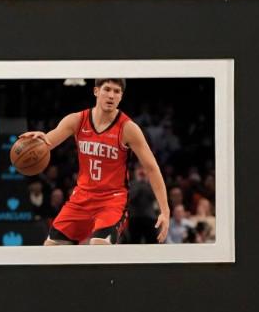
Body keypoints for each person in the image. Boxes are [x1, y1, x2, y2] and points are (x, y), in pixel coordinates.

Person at [17, 77, 170, 246]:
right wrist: (40, 141)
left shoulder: (128, 128)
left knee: (99, 245)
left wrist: (165, 211)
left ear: (121, 96)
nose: (111, 95)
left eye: (116, 91)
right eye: (107, 89)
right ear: (96, 91)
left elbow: (152, 168)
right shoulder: (77, 120)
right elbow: (49, 141)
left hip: (112, 200)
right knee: (51, 248)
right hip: (81, 197)